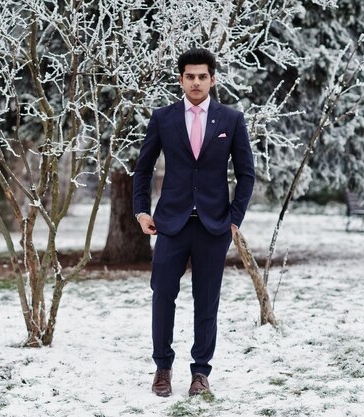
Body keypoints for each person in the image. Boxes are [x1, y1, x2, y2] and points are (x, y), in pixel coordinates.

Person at [132, 48, 255, 397]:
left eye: (203, 76)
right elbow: (142, 170)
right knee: (163, 296)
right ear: (181, 79)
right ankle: (162, 368)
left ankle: (200, 372)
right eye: (190, 76)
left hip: (214, 227)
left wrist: (234, 219)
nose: (196, 82)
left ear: (213, 79)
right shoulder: (163, 118)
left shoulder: (231, 120)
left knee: (207, 301)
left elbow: (246, 174)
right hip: (170, 223)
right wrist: (141, 212)